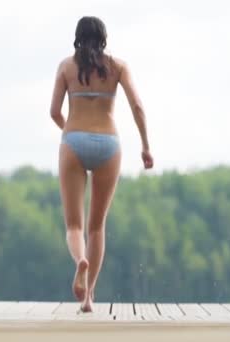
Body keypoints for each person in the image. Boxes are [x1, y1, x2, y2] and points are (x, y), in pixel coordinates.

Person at [50, 16, 153, 313]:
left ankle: (79, 260)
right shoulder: (118, 67)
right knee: (97, 226)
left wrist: (71, 133)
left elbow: (54, 111)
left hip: (73, 140)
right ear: (104, 38)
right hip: (109, 143)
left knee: (74, 224)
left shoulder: (66, 67)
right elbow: (137, 106)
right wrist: (145, 146)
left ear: (77, 38)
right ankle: (89, 296)